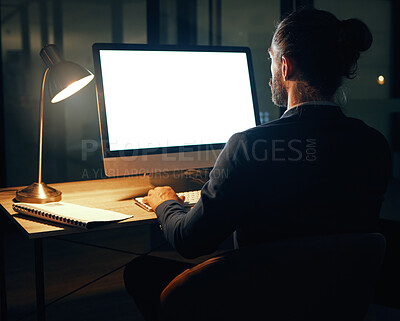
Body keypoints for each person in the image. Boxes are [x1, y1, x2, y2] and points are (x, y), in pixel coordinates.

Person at [123, 8, 392, 321]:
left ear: (286, 66)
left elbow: (190, 240)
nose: (271, 73)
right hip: (330, 303)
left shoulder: (251, 146)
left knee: (141, 271)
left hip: (259, 302)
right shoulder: (373, 144)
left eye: (272, 61)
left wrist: (165, 202)